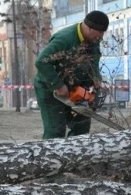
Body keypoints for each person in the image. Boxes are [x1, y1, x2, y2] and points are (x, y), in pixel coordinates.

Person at [34, 10, 109, 139]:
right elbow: (41, 61)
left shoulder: (94, 41)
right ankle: (50, 157)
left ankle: (75, 155)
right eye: (100, 32)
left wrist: (96, 80)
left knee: (82, 123)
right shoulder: (65, 39)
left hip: (75, 87)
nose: (101, 37)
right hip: (50, 89)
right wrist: (58, 85)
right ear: (90, 28)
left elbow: (94, 63)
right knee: (56, 129)